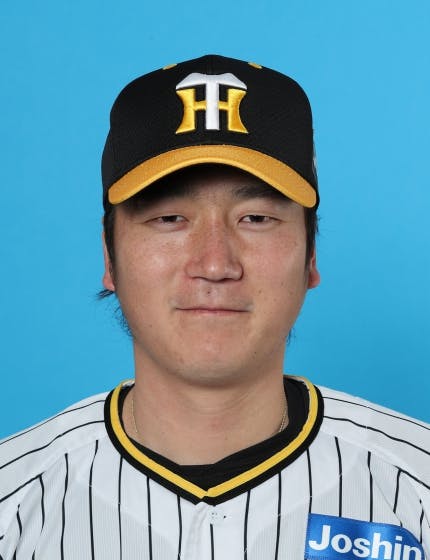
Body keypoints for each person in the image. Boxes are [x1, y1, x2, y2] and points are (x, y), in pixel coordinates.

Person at [0, 54, 428, 560]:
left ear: (311, 256)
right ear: (109, 257)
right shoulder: (14, 501)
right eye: (169, 218)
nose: (215, 264)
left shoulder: (416, 488)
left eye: (256, 218)